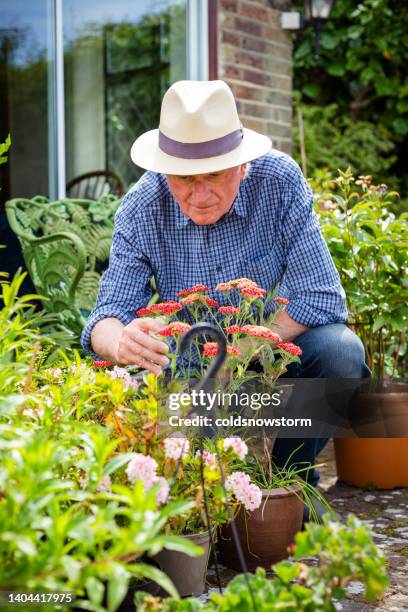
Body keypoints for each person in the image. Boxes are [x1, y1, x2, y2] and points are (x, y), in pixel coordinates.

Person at [81, 80, 370, 500]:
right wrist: (121, 341)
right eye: (183, 179)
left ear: (242, 165)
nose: (199, 196)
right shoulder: (142, 206)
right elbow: (104, 318)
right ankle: (195, 504)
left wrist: (240, 346)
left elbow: (322, 296)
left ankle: (292, 486)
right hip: (188, 364)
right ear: (164, 170)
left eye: (214, 175)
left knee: (342, 352)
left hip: (274, 350)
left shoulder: (279, 182)